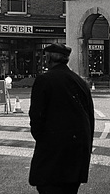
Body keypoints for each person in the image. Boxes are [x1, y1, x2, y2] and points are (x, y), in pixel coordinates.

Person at [28, 43, 95, 194]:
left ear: (48, 58)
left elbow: (36, 115)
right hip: (78, 148)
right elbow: (90, 115)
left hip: (53, 149)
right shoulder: (80, 82)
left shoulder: (44, 80)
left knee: (48, 187)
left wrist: (42, 138)